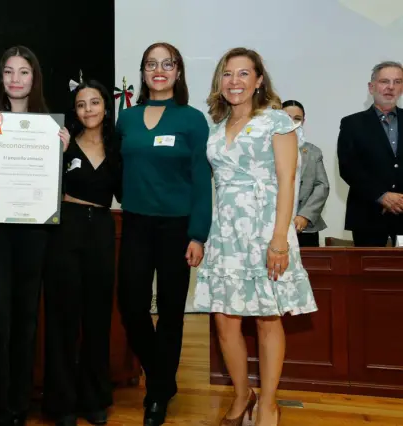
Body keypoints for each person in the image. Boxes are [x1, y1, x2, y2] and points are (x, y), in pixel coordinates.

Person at [193, 47, 318, 426]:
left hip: (267, 231)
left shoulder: (277, 121)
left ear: (259, 80)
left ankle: (268, 402)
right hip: (226, 232)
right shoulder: (215, 128)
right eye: (228, 74)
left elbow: (287, 181)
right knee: (223, 320)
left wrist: (280, 239)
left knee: (267, 318)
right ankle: (242, 393)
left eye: (244, 74)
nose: (235, 81)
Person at [0, 45, 70, 426]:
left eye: (24, 72)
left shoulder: (47, 122)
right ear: (1, 76)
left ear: (34, 78)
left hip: (34, 228)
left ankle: (19, 407)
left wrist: (61, 152)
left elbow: (54, 184)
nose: (16, 79)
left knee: (25, 319)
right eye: (9, 71)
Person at [115, 41, 213, 426]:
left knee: (171, 312)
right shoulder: (128, 118)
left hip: (177, 228)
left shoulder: (192, 119)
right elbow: (117, 169)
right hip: (136, 223)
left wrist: (198, 235)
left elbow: (201, 181)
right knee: (132, 305)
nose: (159, 70)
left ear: (178, 71)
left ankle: (157, 395)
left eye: (167, 64)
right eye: (151, 64)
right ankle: (162, 374)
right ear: (142, 72)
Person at [42, 79, 122, 426]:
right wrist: (55, 156)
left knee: (97, 319)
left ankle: (94, 399)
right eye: (80, 104)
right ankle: (61, 404)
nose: (88, 109)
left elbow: (127, 191)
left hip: (102, 231)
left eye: (94, 102)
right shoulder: (61, 143)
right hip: (65, 230)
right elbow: (42, 186)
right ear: (74, 111)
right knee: (62, 319)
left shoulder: (119, 147)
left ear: (106, 106)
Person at [337, 61, 403, 247]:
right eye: (385, 81)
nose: (391, 87)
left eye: (397, 82)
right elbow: (348, 167)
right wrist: (382, 195)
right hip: (368, 216)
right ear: (371, 87)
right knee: (369, 274)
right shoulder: (352, 124)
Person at [282, 100, 329, 247]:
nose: (292, 123)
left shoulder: (313, 152)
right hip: (272, 227)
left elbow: (322, 186)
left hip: (305, 228)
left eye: (297, 119)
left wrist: (304, 216)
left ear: (303, 121)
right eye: (287, 118)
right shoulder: (265, 150)